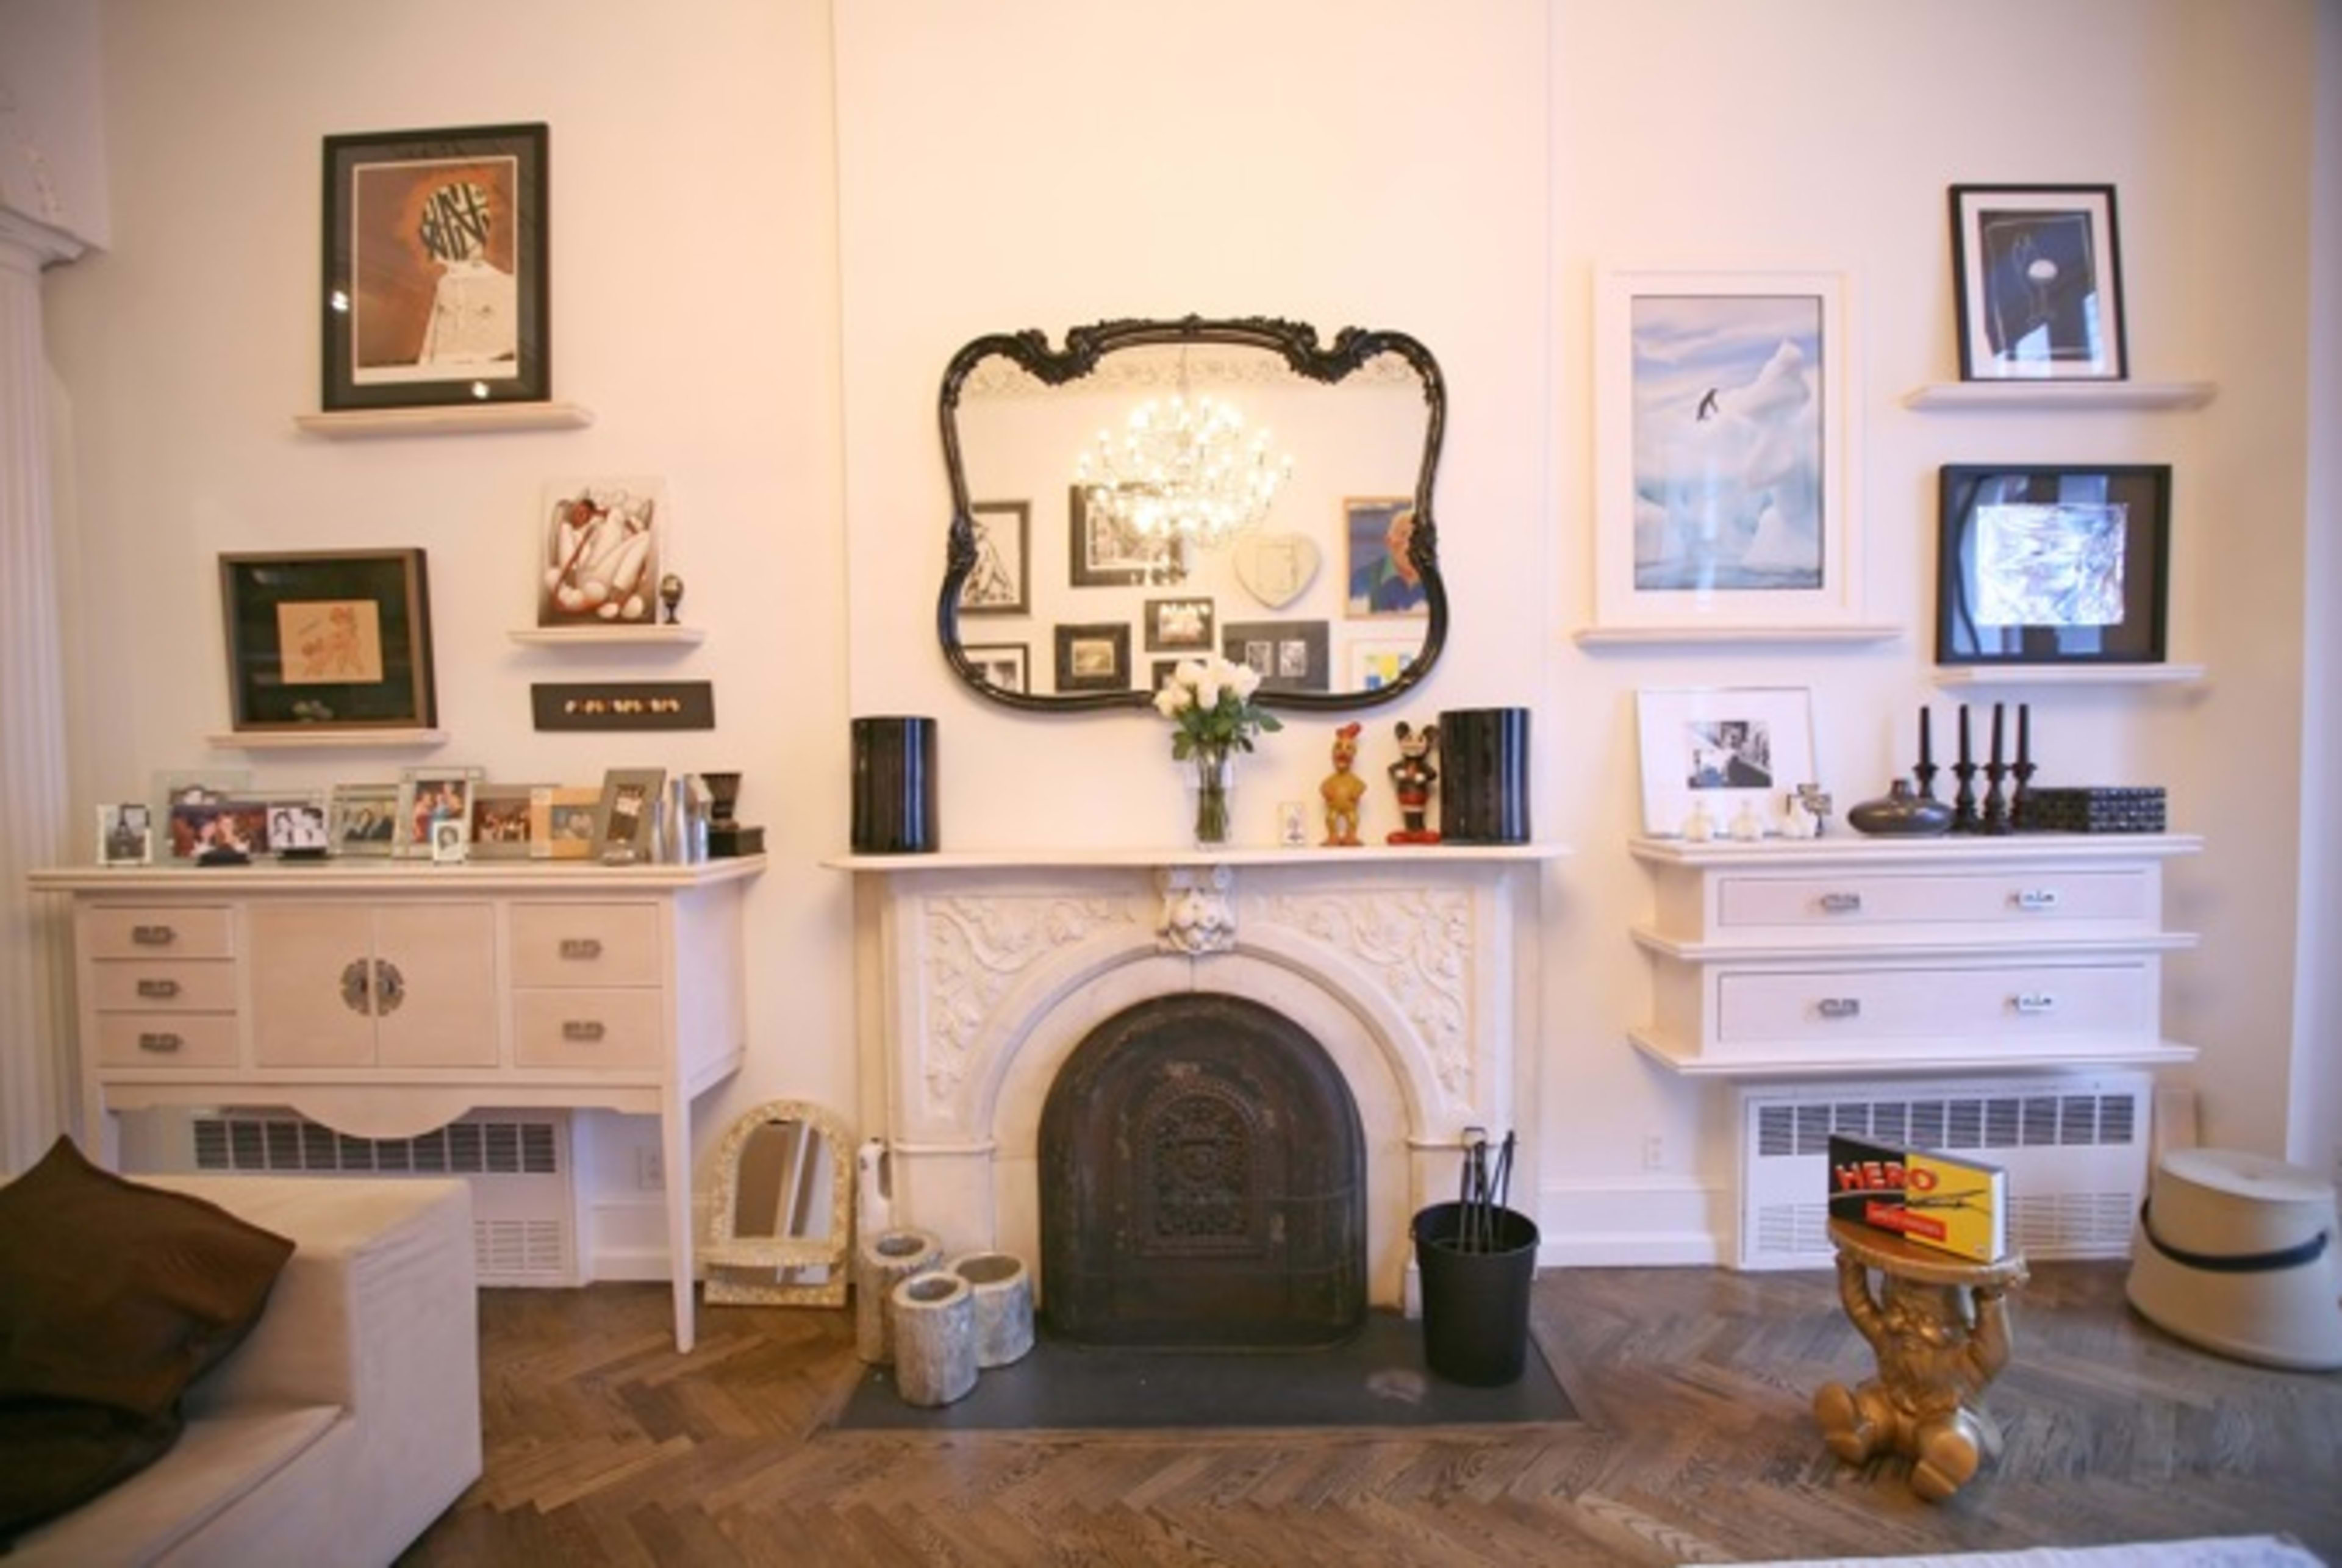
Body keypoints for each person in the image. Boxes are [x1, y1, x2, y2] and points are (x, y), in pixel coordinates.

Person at [1348, 505, 1427, 616]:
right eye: (1403, 535)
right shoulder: (1362, 581)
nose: (1410, 544)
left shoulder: (1439, 579)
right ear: (1389, 542)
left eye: (1417, 536)